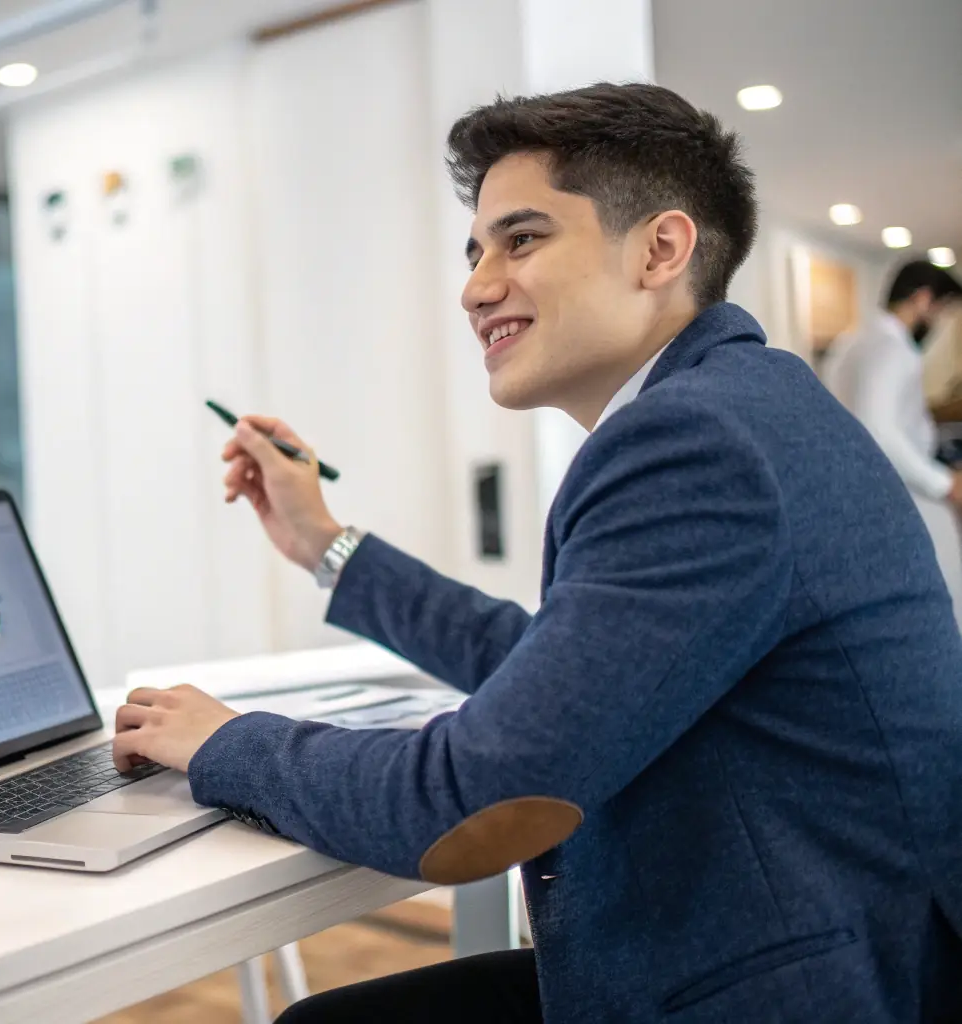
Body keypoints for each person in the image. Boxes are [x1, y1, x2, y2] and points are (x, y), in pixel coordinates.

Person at [112, 83, 962, 1022]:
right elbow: (560, 670)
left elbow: (472, 801)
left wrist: (227, 742)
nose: (475, 288)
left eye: (520, 240)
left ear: (660, 249)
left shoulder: (695, 444)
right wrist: (325, 543)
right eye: (474, 252)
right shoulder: (742, 406)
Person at [822, 262, 962, 629]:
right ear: (923, 300)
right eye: (942, 312)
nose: (939, 325)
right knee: (940, 610)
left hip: (860, 499)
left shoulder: (849, 343)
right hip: (905, 495)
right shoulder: (893, 348)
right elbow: (878, 430)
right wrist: (944, 483)